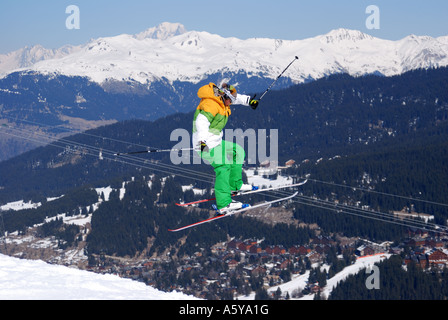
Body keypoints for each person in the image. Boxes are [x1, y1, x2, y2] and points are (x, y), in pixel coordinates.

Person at [192, 82, 259, 215]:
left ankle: (234, 186)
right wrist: (202, 141)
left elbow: (236, 97)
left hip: (216, 141)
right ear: (224, 96)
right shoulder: (211, 104)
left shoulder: (223, 99)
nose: (232, 103)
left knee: (238, 151)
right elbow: (201, 122)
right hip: (204, 144)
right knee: (223, 165)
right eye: (230, 100)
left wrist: (249, 101)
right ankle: (223, 204)